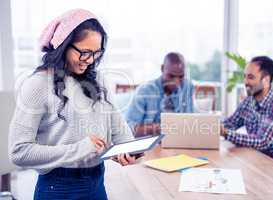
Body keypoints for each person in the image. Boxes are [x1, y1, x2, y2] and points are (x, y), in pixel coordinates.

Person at [9, 9, 137, 199]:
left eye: (96, 53)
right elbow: (19, 152)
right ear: (64, 45)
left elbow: (118, 127)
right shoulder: (38, 85)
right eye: (84, 52)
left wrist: (127, 149)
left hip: (97, 182)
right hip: (58, 187)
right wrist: (81, 149)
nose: (90, 60)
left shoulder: (98, 80)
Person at [221, 56, 273, 171]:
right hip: (260, 161)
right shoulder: (249, 100)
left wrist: (226, 133)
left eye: (251, 77)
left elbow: (263, 141)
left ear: (266, 80)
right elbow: (230, 123)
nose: (245, 82)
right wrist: (209, 125)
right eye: (245, 77)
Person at [126, 52, 194, 137]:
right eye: (171, 76)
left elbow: (191, 121)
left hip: (179, 142)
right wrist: (159, 128)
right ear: (162, 68)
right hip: (152, 145)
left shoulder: (188, 87)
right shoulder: (144, 91)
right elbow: (129, 129)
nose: (176, 82)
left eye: (181, 77)